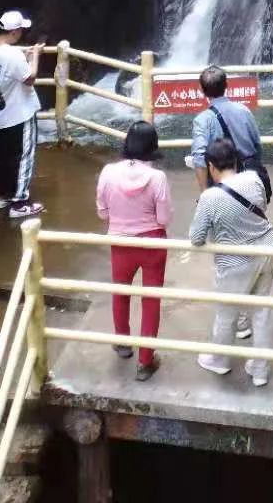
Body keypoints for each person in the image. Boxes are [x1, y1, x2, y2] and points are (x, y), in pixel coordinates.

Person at [188, 137, 273, 387]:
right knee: (261, 311)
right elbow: (261, 207)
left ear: (211, 166)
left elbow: (196, 238)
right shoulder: (254, 179)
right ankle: (260, 370)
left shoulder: (210, 198)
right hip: (267, 250)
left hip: (235, 262)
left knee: (226, 313)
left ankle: (220, 360)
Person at [95, 121, 172, 382]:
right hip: (152, 244)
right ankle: (145, 361)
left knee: (121, 292)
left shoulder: (107, 172)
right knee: (150, 301)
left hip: (121, 243)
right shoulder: (158, 178)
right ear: (153, 147)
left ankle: (123, 343)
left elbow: (102, 211)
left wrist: (119, 220)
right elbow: (163, 219)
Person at [0, 10, 44, 221]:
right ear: (15, 31)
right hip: (19, 114)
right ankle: (20, 202)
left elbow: (10, 68)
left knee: (4, 156)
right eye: (21, 30)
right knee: (24, 156)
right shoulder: (13, 55)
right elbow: (30, 77)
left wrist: (24, 56)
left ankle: (3, 195)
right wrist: (35, 56)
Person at [190, 65, 271, 201]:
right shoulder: (244, 110)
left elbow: (199, 159)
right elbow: (257, 145)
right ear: (226, 85)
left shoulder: (202, 120)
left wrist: (205, 194)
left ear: (202, 90)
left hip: (222, 185)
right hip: (250, 179)